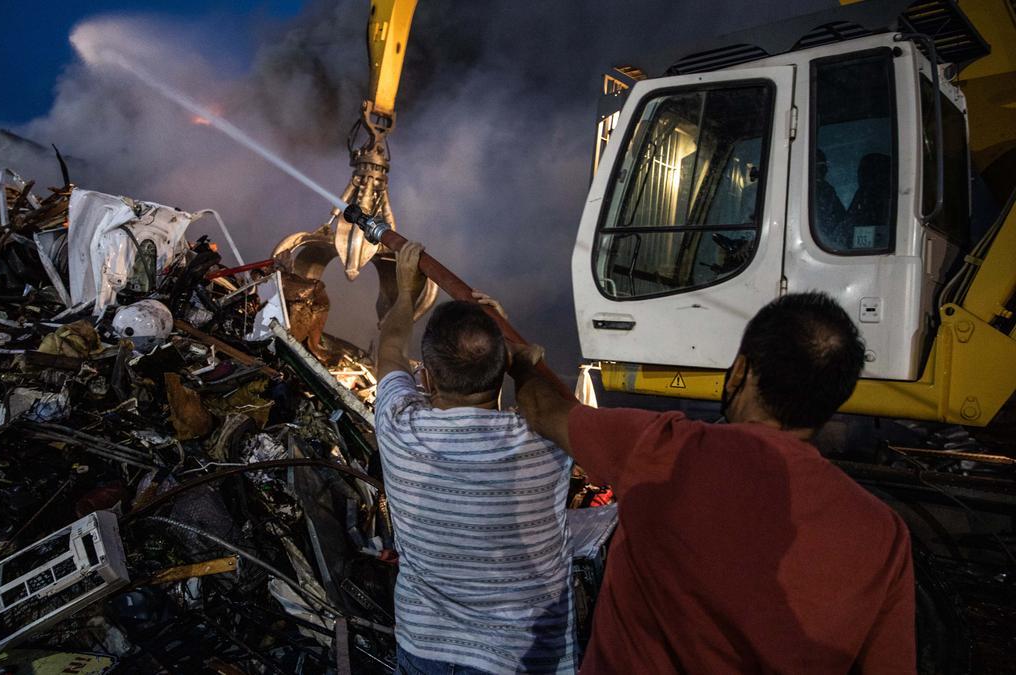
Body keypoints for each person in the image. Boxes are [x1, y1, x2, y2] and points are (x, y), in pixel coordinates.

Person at [511, 292, 915, 673]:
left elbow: (542, 409)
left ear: (741, 369)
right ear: (835, 397)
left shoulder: (664, 448)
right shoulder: (883, 534)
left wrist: (522, 364)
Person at [374, 241, 576, 674]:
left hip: (426, 650)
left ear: (425, 376)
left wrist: (406, 292)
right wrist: (510, 349)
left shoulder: (399, 429)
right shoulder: (547, 442)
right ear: (502, 365)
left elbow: (388, 350)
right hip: (523, 657)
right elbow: (551, 402)